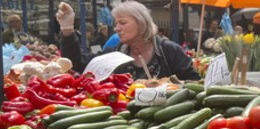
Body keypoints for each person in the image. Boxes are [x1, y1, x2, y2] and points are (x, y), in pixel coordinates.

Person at [56, 1, 199, 80]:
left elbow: (193, 82)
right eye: (116, 23)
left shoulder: (168, 50)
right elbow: (77, 63)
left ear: (141, 23)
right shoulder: (114, 54)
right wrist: (67, 29)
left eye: (122, 23)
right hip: (123, 124)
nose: (117, 28)